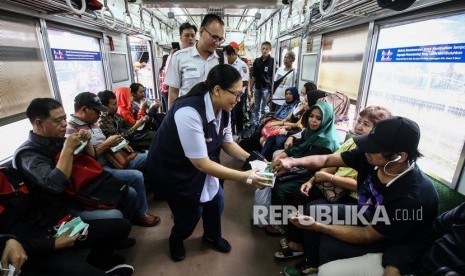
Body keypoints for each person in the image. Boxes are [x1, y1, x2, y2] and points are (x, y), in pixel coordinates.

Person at [270, 116, 439, 276]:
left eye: (373, 148)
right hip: (366, 214)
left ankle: (323, 264)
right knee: (313, 210)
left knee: (329, 243)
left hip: (390, 239)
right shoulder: (370, 157)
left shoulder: (412, 196)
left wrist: (318, 226)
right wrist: (292, 161)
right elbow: (327, 160)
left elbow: (367, 234)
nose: (366, 150)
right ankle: (314, 262)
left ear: (400, 156)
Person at [147, 64, 272, 262]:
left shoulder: (224, 109)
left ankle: (212, 236)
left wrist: (255, 159)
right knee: (190, 213)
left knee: (216, 202)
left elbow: (227, 143)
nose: (239, 100)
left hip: (200, 163)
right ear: (217, 90)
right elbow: (201, 164)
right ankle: (177, 239)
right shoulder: (188, 111)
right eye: (236, 94)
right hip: (174, 169)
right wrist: (245, 177)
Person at [274, 105, 392, 259]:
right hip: (334, 185)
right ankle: (299, 240)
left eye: (366, 124)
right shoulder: (353, 144)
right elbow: (330, 162)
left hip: (355, 197)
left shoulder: (377, 155)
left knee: (312, 208)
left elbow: (362, 186)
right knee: (298, 193)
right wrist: (311, 180)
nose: (359, 127)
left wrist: (329, 178)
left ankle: (311, 257)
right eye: (359, 122)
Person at [13, 98, 137, 222]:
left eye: (64, 118)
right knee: (115, 216)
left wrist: (86, 142)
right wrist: (67, 149)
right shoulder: (28, 155)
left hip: (82, 190)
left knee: (129, 193)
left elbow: (92, 159)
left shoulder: (58, 140)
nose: (64, 124)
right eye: (57, 120)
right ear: (39, 124)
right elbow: (55, 185)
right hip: (63, 206)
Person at [0, 176, 134, 275]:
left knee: (121, 226)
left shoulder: (11, 174)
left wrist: (64, 220)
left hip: (54, 228)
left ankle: (99, 263)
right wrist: (53, 243)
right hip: (34, 248)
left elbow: (44, 202)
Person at [66, 92, 160, 227]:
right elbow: (85, 161)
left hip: (115, 158)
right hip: (100, 169)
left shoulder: (94, 124)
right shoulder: (71, 131)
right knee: (136, 176)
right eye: (97, 111)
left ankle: (161, 191)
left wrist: (118, 144)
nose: (100, 115)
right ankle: (140, 213)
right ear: (84, 110)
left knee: (152, 156)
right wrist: (107, 144)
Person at [317, 202, 465, 276]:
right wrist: (395, 264)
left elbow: (368, 234)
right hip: (410, 263)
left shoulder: (416, 192)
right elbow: (427, 231)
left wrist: (319, 226)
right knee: (328, 271)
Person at [165, 14, 224, 109]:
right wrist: (171, 120)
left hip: (213, 117)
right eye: (214, 37)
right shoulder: (179, 57)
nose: (217, 42)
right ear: (201, 32)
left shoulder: (221, 58)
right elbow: (173, 92)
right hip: (187, 116)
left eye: (220, 39)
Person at [223, 45, 250, 135]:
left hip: (238, 95)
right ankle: (230, 131)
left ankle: (240, 132)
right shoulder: (227, 65)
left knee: (238, 113)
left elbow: (245, 82)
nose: (225, 59)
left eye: (226, 56)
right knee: (229, 114)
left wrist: (232, 86)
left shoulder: (242, 65)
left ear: (231, 54)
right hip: (228, 94)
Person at [250, 41, 275, 127]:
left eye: (266, 49)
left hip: (266, 89)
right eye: (263, 48)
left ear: (270, 49)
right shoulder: (257, 61)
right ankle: (256, 124)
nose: (264, 50)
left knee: (264, 108)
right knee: (256, 107)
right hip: (257, 88)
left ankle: (263, 123)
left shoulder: (273, 61)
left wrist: (272, 92)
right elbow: (254, 76)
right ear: (261, 49)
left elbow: (273, 77)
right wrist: (250, 88)